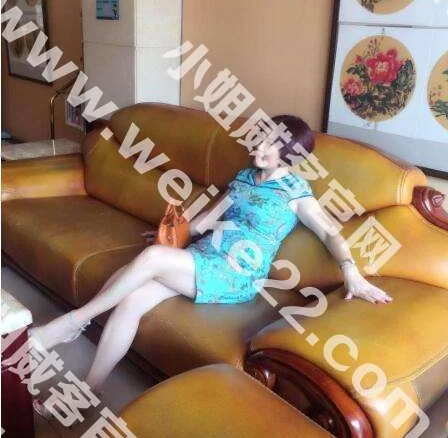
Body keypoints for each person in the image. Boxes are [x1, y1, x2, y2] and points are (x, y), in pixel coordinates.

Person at [29, 115, 391, 399]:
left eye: (270, 143)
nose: (259, 145)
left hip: (236, 272)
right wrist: (171, 234)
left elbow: (329, 232)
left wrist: (351, 272)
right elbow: (206, 220)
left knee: (151, 260)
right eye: (261, 137)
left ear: (290, 154)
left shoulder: (295, 190)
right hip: (201, 256)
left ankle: (70, 324)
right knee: (133, 300)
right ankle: (90, 388)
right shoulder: (245, 177)